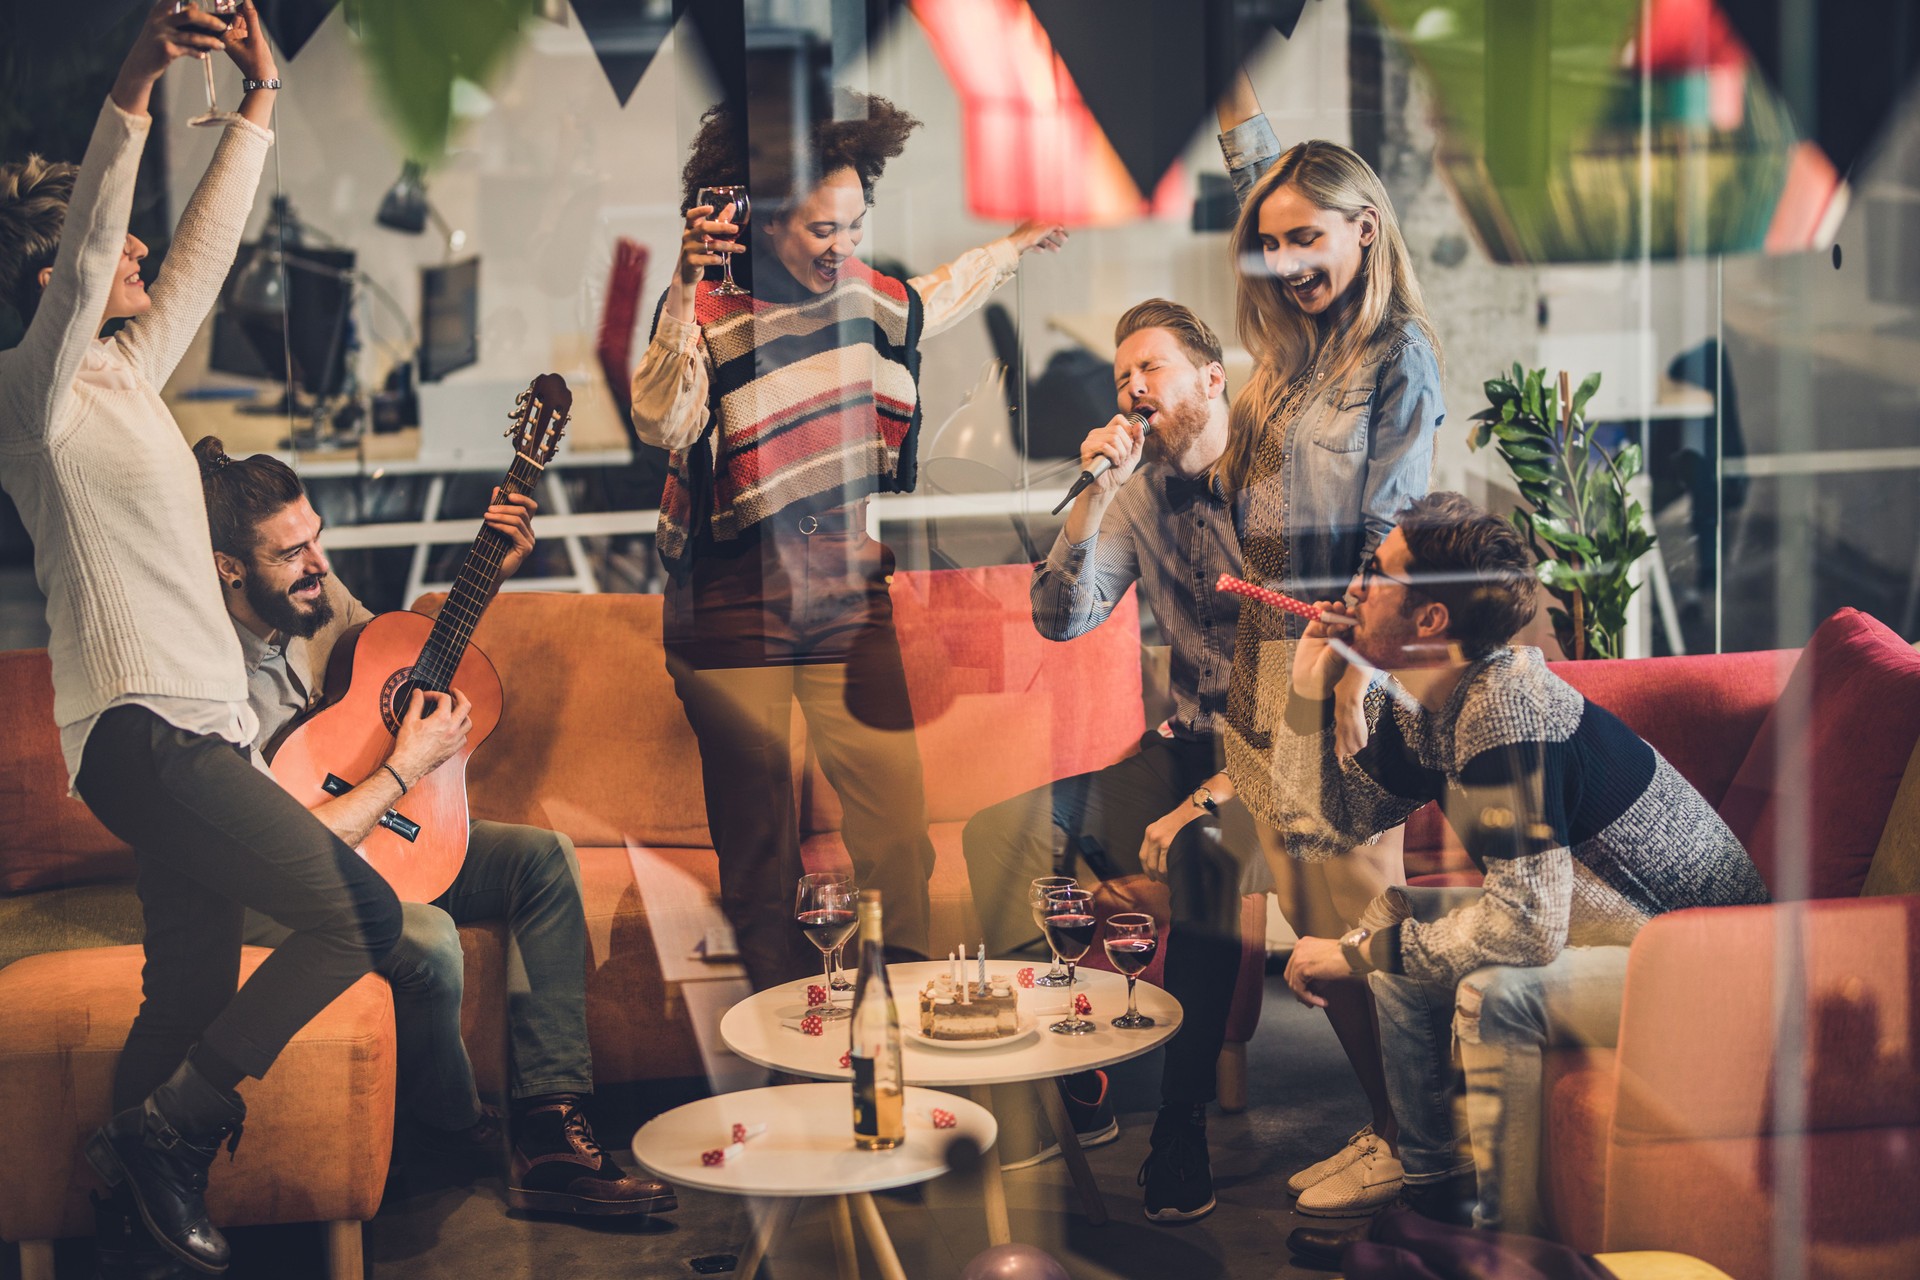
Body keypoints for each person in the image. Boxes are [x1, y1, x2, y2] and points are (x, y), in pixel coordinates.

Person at [0, 7, 403, 1276]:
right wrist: (134, 78)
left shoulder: (126, 380)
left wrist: (262, 99)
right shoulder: (36, 392)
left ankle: (129, 1220)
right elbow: (80, 275)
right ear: (46, 261)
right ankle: (177, 1132)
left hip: (196, 731)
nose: (134, 249)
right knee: (360, 918)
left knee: (183, 987)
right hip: (142, 732)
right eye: (107, 236)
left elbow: (208, 255)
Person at [628, 92, 1067, 990]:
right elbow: (662, 418)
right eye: (823, 229)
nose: (844, 246)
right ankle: (789, 1041)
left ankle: (890, 1020)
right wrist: (678, 289)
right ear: (764, 220)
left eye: (856, 225)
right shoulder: (709, 308)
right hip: (731, 600)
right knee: (759, 861)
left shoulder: (863, 296)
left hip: (843, 594)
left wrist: (1013, 248)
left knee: (897, 835)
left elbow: (931, 301)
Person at [1273, 493, 1769, 1264]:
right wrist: (1309, 690)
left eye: (1379, 573)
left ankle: (1503, 1248)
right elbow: (1320, 829)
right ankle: (1433, 1196)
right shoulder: (1431, 703)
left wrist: (1358, 955)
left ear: (1431, 622)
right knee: (1392, 913)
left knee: (1493, 992)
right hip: (1611, 927)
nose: (1357, 585)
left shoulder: (1505, 708)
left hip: (1716, 963)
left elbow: (1527, 929)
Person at [190, 440, 674, 1224]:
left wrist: (487, 573)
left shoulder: (313, 599)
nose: (319, 564)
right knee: (429, 939)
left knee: (542, 859)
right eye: (293, 552)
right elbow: (279, 854)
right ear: (228, 569)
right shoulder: (203, 683)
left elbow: (401, 656)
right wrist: (406, 770)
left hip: (373, 834)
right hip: (269, 885)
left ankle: (552, 1126)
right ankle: (455, 1128)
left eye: (318, 537)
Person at [960, 298, 1267, 1217]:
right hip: (1177, 745)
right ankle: (1066, 1069)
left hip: (1263, 754)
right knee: (1002, 832)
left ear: (1213, 380)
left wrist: (1208, 801)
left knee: (1205, 865)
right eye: (1122, 373)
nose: (1133, 387)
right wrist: (1095, 494)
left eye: (1153, 368)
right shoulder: (1134, 494)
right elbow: (1062, 618)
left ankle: (1180, 1130)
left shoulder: (1275, 489)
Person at [1206, 74, 1446, 1218]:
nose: (1289, 256)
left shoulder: (1395, 357)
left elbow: (1398, 534)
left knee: (1362, 922)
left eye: (1314, 235)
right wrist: (1219, 77)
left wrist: (1347, 670)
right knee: (1315, 927)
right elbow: (1261, 192)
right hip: (1262, 659)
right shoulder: (1292, 350)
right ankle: (1385, 1122)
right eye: (1273, 242)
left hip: (1336, 667)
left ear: (1366, 228)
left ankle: (1422, 1140)